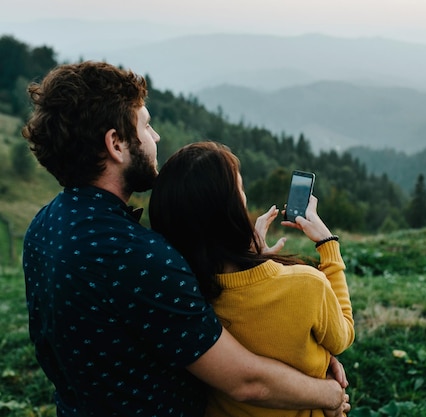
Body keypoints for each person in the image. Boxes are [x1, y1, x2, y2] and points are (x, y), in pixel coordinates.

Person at [21, 61, 349, 417]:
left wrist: (247, 256)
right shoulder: (137, 257)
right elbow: (247, 382)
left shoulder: (44, 226)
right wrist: (328, 393)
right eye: (146, 125)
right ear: (116, 144)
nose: (156, 137)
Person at [148, 141, 355, 417]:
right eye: (240, 192)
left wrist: (253, 255)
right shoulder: (308, 284)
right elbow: (342, 336)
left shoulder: (184, 299)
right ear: (231, 210)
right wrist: (328, 245)